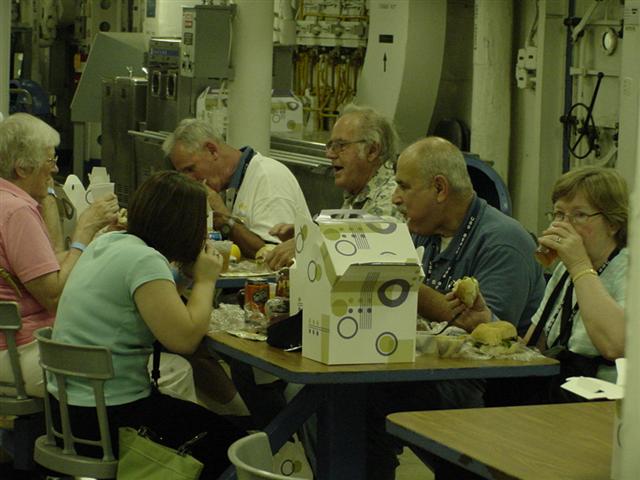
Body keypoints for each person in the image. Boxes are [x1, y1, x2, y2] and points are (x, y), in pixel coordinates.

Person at [365, 136, 546, 480]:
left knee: (364, 398)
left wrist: (396, 282)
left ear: (439, 188)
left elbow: (490, 341)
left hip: (487, 389)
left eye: (404, 186)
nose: (395, 198)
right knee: (340, 397)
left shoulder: (504, 241)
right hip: (430, 368)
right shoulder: (423, 230)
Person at [49, 171, 245, 477]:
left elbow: (154, 301)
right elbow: (184, 340)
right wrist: (206, 280)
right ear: (185, 226)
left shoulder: (110, 242)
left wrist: (185, 275)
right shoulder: (144, 260)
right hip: (109, 421)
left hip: (66, 413)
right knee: (235, 447)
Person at [0, 113, 118, 397]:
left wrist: (88, 239)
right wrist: (83, 232)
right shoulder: (17, 212)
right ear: (22, 167)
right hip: (20, 352)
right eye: (49, 160)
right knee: (137, 370)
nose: (54, 169)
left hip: (13, 346)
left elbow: (44, 268)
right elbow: (53, 295)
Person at [499, 165, 627, 404]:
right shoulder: (564, 269)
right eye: (559, 214)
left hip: (606, 406)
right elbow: (534, 345)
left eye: (579, 215)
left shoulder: (629, 269)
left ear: (613, 223)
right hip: (559, 396)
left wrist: (579, 265)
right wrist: (485, 320)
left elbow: (616, 347)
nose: (565, 226)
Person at [266, 103, 402, 270]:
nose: (330, 154)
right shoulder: (358, 192)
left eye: (341, 146)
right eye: (330, 146)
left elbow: (369, 254)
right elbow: (347, 235)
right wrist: (307, 233)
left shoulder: (391, 196)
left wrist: (308, 245)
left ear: (372, 151)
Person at [162, 118, 311, 258]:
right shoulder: (225, 185)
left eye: (190, 169)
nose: (188, 179)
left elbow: (271, 255)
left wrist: (224, 218)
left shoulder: (268, 177)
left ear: (212, 150)